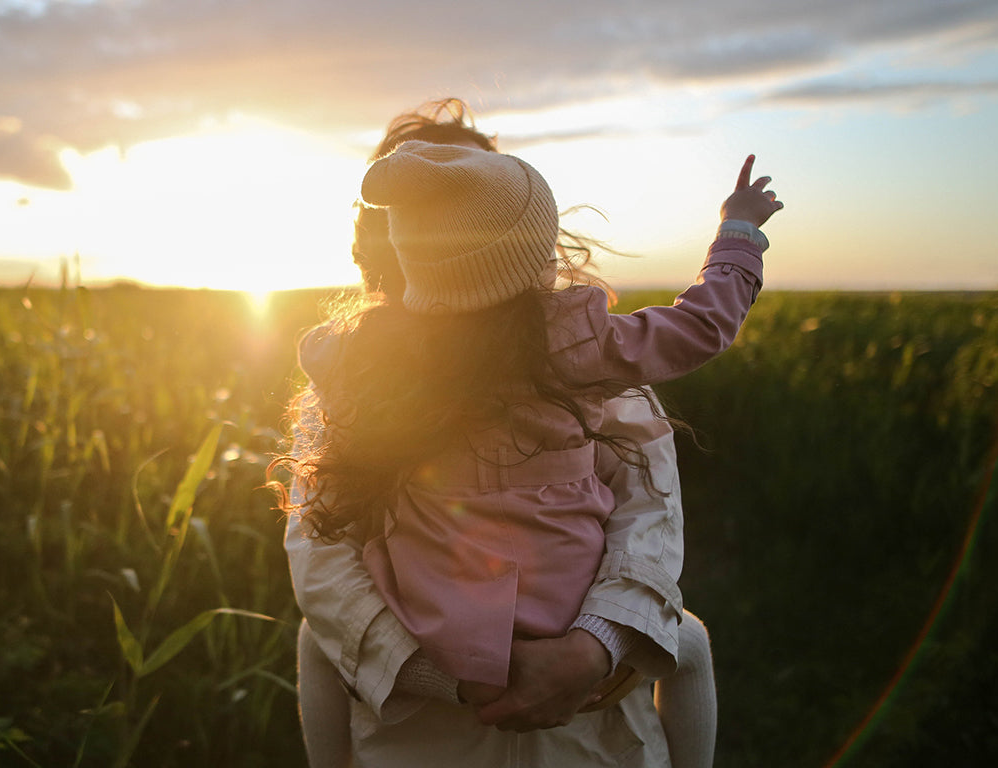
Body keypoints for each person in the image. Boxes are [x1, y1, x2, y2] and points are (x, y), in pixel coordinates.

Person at [280, 100, 777, 767]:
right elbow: (323, 554)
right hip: (445, 713)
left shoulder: (359, 364)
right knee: (688, 642)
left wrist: (585, 651)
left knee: (316, 640)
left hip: (563, 705)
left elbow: (647, 514)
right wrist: (738, 234)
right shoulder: (580, 351)